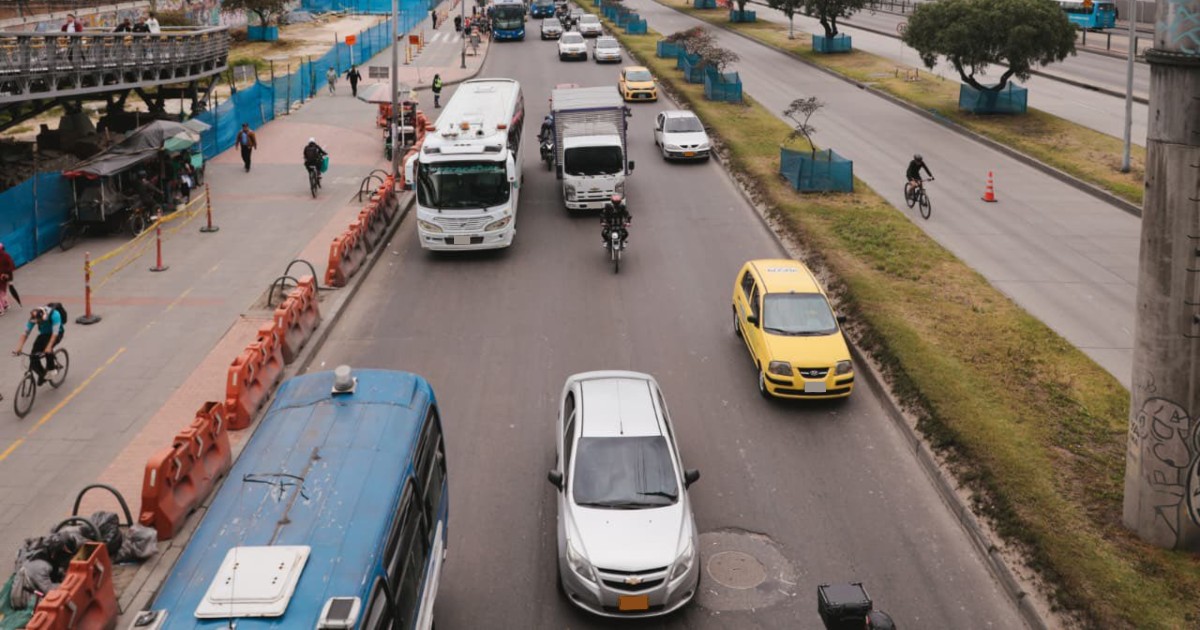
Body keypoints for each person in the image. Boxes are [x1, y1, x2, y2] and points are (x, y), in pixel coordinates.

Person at [13, 306, 64, 386]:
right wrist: (19, 347)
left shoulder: (55, 315)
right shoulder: (34, 317)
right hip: (44, 334)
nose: (38, 323)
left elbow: (55, 334)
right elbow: (25, 333)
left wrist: (49, 346)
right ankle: (44, 375)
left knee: (47, 349)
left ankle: (52, 369)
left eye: (40, 322)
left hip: (57, 334)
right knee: (33, 356)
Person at [0, 243, 14, 316]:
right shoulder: (6, 255)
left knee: (2, 292)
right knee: (3, 292)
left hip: (3, 277)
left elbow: (11, 266)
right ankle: (5, 304)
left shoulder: (5, 256)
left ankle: (1, 309)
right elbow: (11, 266)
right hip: (4, 277)